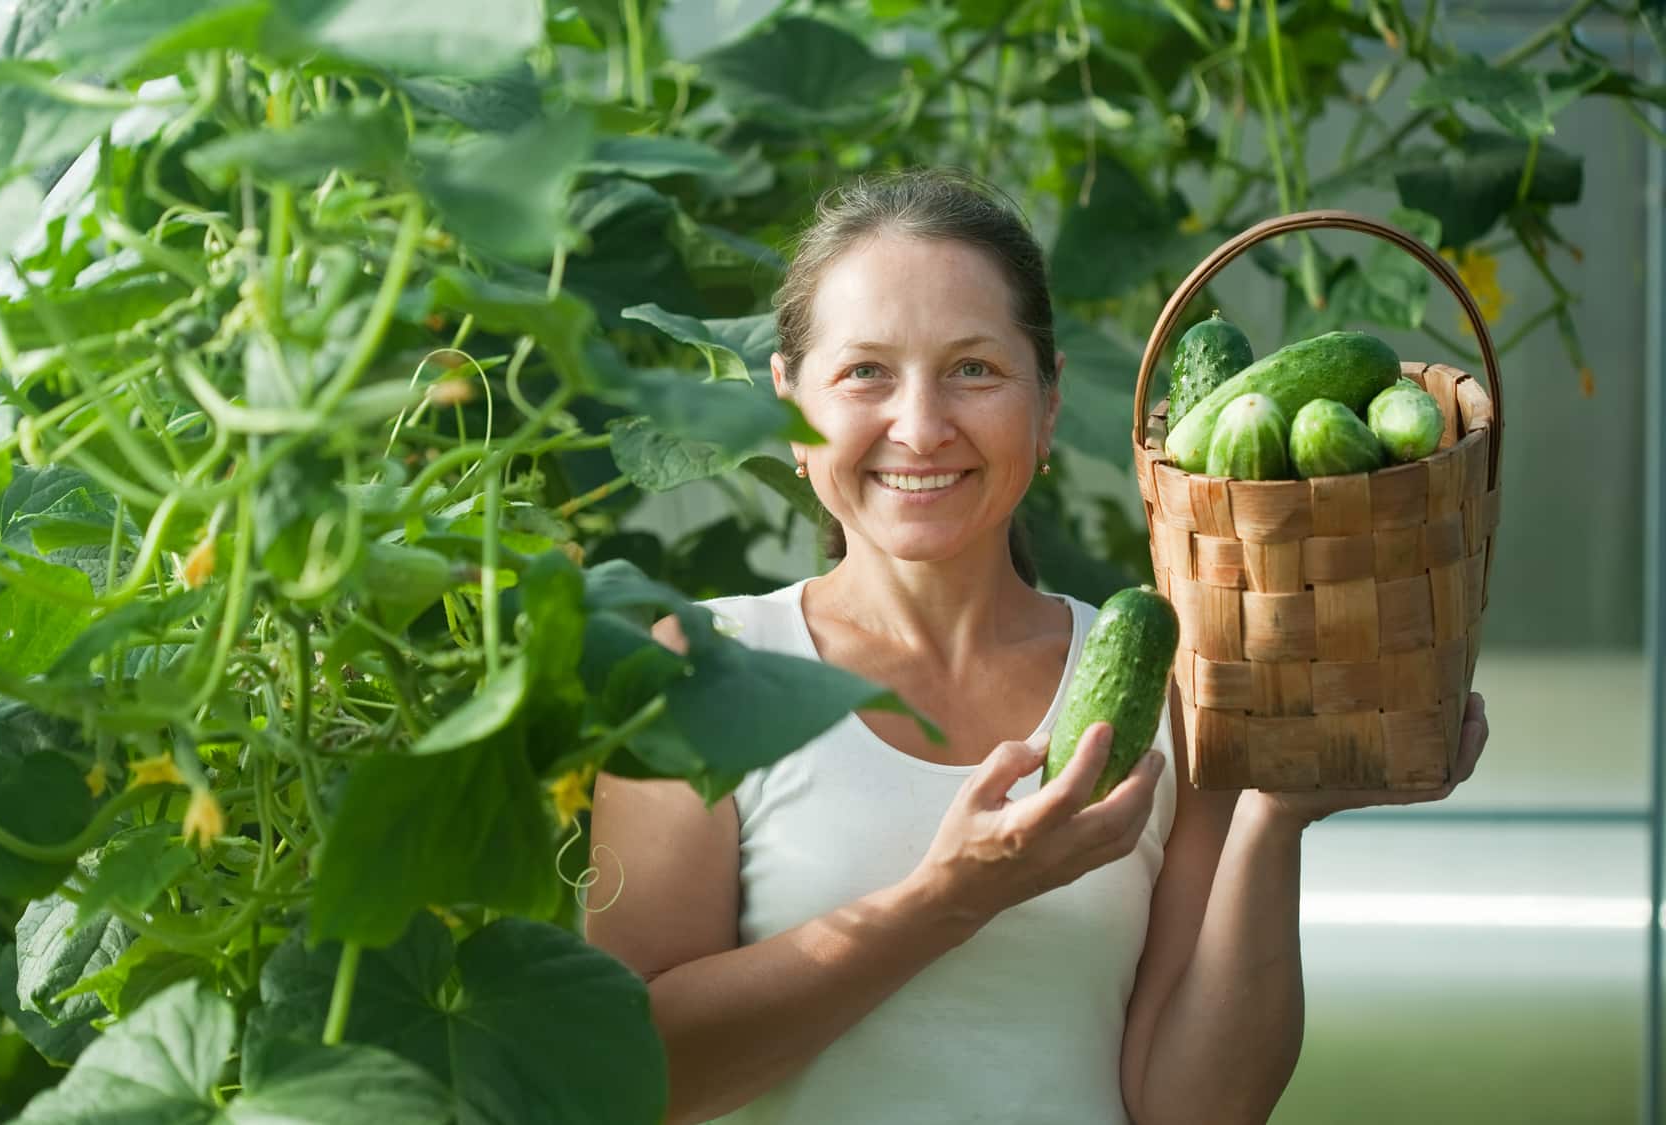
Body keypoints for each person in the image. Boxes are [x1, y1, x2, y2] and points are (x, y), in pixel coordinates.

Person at [583, 168, 1491, 1125]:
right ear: (788, 406)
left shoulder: (1178, 685)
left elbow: (1197, 1109)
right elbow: (626, 1078)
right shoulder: (700, 663)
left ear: (1049, 403)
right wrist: (949, 897)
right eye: (865, 372)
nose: (922, 427)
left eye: (975, 369)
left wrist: (1274, 813)